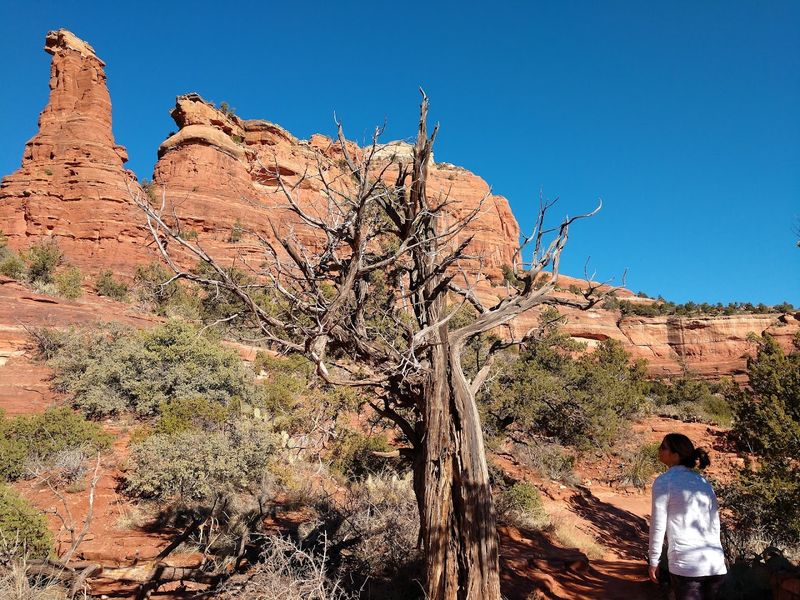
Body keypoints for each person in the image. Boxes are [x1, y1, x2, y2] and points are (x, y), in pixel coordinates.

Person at [648, 433, 727, 600]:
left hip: (687, 566)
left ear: (676, 455)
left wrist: (654, 560)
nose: (659, 449)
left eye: (663, 447)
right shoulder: (703, 482)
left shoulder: (664, 481)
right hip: (715, 565)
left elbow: (658, 524)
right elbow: (714, 523)